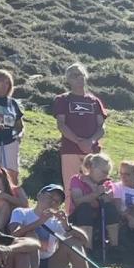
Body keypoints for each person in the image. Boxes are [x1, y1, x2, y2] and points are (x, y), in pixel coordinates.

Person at [8, 184, 96, 268]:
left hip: (49, 266)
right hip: (24, 264)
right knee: (31, 237)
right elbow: (13, 234)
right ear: (39, 196)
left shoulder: (56, 222)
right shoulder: (21, 212)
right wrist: (40, 221)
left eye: (57, 201)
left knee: (73, 242)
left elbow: (84, 240)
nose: (52, 202)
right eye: (50, 197)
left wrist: (67, 226)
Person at [53, 63, 107, 212]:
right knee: (72, 186)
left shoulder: (94, 101)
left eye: (81, 74)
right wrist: (78, 141)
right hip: (70, 149)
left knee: (95, 185)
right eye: (74, 76)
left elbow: (101, 127)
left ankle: (96, 216)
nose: (78, 78)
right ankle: (71, 216)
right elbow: (61, 124)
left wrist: (91, 141)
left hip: (92, 150)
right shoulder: (62, 99)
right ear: (68, 80)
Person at [68, 152, 121, 268]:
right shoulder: (76, 179)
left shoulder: (107, 183)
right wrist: (95, 192)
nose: (105, 175)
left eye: (107, 172)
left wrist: (102, 194)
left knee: (111, 209)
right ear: (91, 167)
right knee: (85, 208)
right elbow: (78, 200)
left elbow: (109, 200)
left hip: (99, 216)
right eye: (103, 171)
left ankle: (115, 247)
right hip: (79, 217)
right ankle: (88, 249)